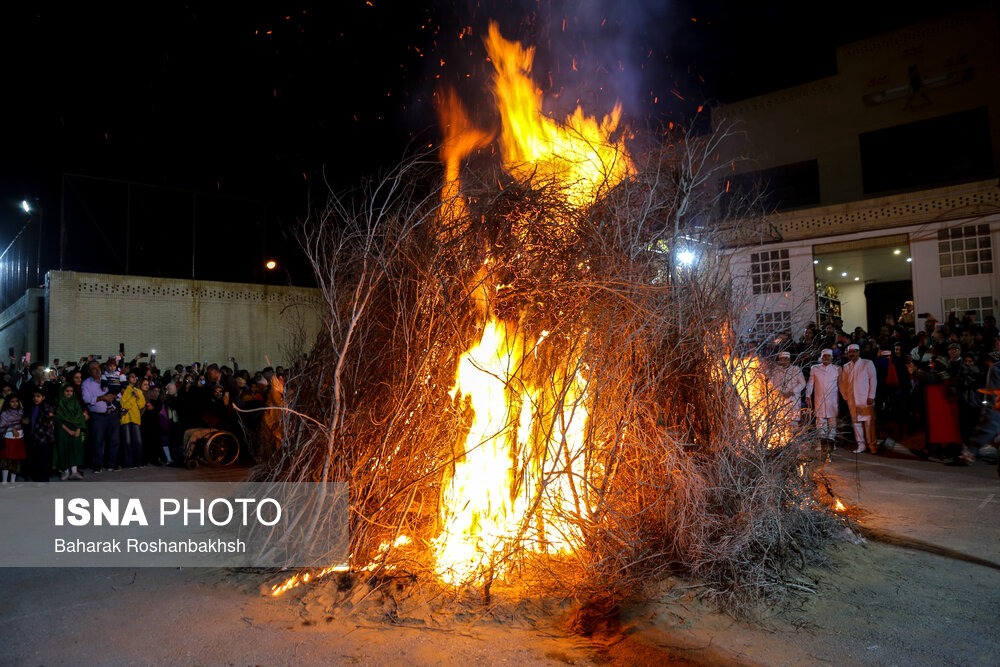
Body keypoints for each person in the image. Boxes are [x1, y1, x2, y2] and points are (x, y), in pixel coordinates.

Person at [82, 360, 121, 472]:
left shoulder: (108, 378)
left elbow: (118, 393)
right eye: (94, 368)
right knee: (98, 441)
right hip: (98, 416)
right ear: (89, 371)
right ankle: (97, 464)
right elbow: (87, 400)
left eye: (98, 367)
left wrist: (113, 396)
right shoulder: (86, 383)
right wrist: (102, 398)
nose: (97, 370)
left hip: (113, 414)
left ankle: (112, 463)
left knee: (114, 440)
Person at [841, 343, 877, 453]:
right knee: (856, 423)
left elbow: (873, 380)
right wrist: (845, 396)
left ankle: (872, 446)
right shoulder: (846, 366)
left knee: (868, 423)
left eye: (854, 351)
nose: (852, 354)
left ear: (858, 352)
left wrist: (871, 395)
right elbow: (844, 383)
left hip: (865, 398)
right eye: (850, 352)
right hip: (852, 399)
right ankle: (861, 445)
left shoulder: (867, 363)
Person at [806, 349, 841, 457]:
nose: (826, 358)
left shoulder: (837, 369)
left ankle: (831, 444)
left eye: (828, 356)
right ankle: (822, 444)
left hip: (832, 400)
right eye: (824, 356)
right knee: (820, 423)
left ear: (832, 358)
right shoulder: (815, 369)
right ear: (821, 357)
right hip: (819, 399)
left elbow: (841, 385)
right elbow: (811, 383)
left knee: (832, 422)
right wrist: (808, 395)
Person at [769, 351, 805, 438]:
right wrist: (780, 392)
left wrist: (792, 391)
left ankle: (793, 442)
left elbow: (802, 383)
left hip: (794, 399)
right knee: (781, 421)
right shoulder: (776, 370)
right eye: (782, 359)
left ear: (789, 360)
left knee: (794, 422)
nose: (784, 361)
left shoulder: (796, 369)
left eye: (786, 359)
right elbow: (770, 384)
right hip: (780, 400)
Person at [54, 383, 86, 480]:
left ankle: (74, 471)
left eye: (71, 391)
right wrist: (68, 430)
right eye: (67, 391)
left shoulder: (75, 402)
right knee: (63, 449)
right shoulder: (59, 402)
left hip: (75, 429)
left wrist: (77, 430)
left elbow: (80, 417)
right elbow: (57, 419)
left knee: (75, 449)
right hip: (63, 430)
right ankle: (66, 471)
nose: (69, 393)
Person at [28, 388, 56, 482]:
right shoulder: (33, 408)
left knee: (44, 460)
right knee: (36, 460)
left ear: (43, 397)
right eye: (34, 396)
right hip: (35, 438)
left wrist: (49, 415)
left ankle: (43, 479)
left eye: (38, 396)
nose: (36, 398)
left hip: (44, 439)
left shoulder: (46, 407)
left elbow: (50, 412)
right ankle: (37, 479)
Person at [119, 371, 146, 468]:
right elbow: (124, 405)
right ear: (127, 379)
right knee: (127, 442)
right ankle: (128, 463)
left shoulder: (138, 391)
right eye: (132, 377)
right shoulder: (124, 391)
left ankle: (138, 462)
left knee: (138, 442)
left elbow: (141, 405)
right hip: (126, 419)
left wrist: (137, 396)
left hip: (135, 419)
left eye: (135, 377)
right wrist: (133, 397)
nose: (134, 378)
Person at [0, 395, 26, 483]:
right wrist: (11, 429)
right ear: (8, 402)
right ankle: (4, 481)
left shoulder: (21, 411)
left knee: (16, 459)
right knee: (7, 459)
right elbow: (1, 426)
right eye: (12, 402)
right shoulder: (4, 413)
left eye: (16, 401)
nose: (15, 403)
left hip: (19, 437)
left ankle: (13, 480)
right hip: (8, 437)